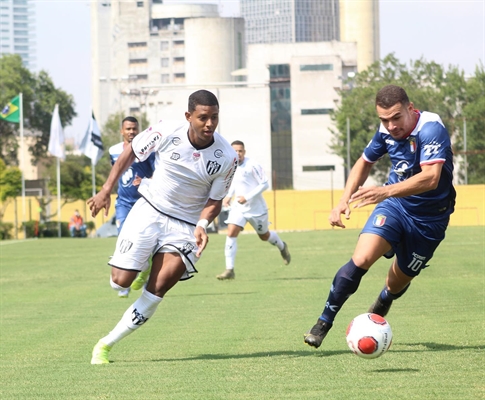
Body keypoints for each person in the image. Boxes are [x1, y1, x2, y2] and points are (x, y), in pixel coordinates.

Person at [88, 90, 238, 364]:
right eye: (203, 117)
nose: (209, 124)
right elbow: (129, 153)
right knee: (119, 282)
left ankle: (106, 344)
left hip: (185, 226)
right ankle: (142, 265)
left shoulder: (226, 157)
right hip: (149, 210)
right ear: (188, 116)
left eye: (214, 118)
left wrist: (203, 223)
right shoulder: (167, 130)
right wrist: (105, 190)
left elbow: (215, 201)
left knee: (158, 288)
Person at [303, 85, 456, 349]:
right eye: (384, 119)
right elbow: (364, 162)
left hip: (430, 220)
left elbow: (431, 178)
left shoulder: (430, 128)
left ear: (410, 109)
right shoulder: (385, 131)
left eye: (396, 117)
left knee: (397, 281)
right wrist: (342, 201)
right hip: (395, 206)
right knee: (361, 258)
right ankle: (324, 321)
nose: (391, 125)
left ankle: (386, 298)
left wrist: (384, 191)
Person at [216, 140, 290, 280]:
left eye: (240, 151)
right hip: (239, 207)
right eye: (235, 151)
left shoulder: (253, 165)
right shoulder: (230, 165)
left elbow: (264, 184)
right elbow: (234, 183)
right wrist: (228, 196)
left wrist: (247, 197)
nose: (238, 154)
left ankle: (282, 246)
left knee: (264, 236)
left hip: (256, 209)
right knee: (231, 232)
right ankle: (229, 269)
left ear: (244, 152)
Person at [109, 116, 156, 298]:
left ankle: (145, 274)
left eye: (134, 129)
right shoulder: (113, 151)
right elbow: (116, 171)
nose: (131, 132)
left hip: (144, 203)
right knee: (123, 240)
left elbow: (158, 175)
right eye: (128, 129)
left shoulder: (148, 151)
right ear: (122, 131)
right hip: (123, 203)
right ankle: (124, 283)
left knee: (146, 242)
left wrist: (144, 181)